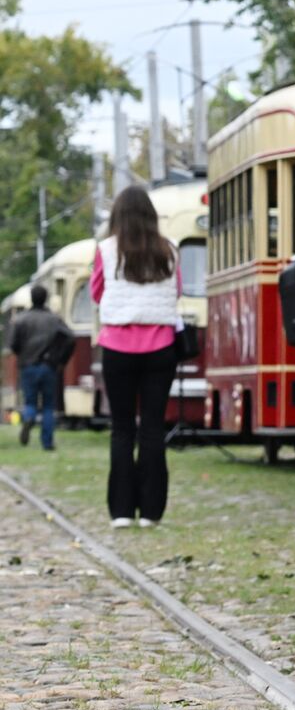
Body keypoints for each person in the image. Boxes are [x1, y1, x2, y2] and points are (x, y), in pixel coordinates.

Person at [91, 186, 181, 529]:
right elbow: (176, 291)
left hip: (117, 347)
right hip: (161, 347)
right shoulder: (169, 250)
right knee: (154, 428)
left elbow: (97, 293)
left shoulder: (106, 250)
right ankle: (152, 511)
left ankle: (122, 511)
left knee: (122, 428)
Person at [7, 284, 73, 451]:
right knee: (49, 406)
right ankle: (47, 443)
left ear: (31, 297)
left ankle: (29, 418)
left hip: (28, 366)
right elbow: (70, 338)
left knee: (30, 401)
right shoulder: (54, 319)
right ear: (46, 298)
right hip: (49, 366)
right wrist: (61, 360)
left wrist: (22, 354)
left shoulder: (21, 319)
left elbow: (13, 344)